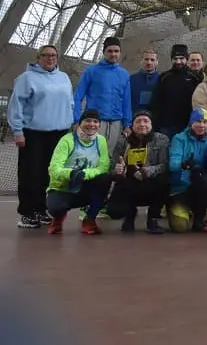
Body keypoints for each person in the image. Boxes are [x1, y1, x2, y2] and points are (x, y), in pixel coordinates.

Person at [9, 45, 74, 229]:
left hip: (59, 133)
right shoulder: (26, 78)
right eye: (46, 55)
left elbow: (70, 102)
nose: (50, 58)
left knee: (48, 174)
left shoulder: (64, 77)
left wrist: (70, 124)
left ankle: (40, 209)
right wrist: (18, 131)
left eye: (53, 55)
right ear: (38, 58)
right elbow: (16, 105)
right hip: (33, 132)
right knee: (30, 173)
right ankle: (27, 212)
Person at [44, 110, 112, 235]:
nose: (92, 124)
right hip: (64, 187)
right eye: (88, 121)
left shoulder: (101, 140)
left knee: (105, 179)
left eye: (95, 121)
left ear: (99, 125)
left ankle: (89, 220)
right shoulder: (67, 140)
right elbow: (54, 169)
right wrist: (71, 174)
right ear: (80, 123)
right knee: (56, 208)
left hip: (86, 185)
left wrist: (84, 174)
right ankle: (58, 218)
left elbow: (103, 166)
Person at [106, 111, 170, 234]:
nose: (142, 124)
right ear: (132, 125)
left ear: (151, 124)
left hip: (151, 181)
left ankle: (152, 218)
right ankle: (129, 215)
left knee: (165, 180)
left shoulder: (162, 139)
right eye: (138, 121)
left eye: (146, 121)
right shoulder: (123, 141)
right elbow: (111, 167)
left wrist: (148, 170)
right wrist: (118, 170)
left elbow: (165, 164)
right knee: (114, 211)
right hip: (130, 182)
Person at [73, 36, 131, 143]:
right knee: (90, 151)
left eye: (116, 51)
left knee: (110, 152)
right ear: (104, 52)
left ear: (120, 53)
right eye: (110, 51)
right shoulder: (91, 71)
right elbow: (77, 97)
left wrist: (127, 124)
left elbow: (126, 101)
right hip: (93, 121)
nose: (113, 54)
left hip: (116, 123)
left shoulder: (124, 74)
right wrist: (76, 120)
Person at [166, 109, 207, 233]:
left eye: (205, 122)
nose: (202, 125)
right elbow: (172, 165)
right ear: (191, 122)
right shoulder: (179, 139)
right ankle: (174, 208)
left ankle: (199, 219)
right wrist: (184, 164)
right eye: (198, 121)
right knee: (179, 227)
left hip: (199, 186)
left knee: (206, 180)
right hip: (180, 187)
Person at [149, 44, 201, 139]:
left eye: (181, 58)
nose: (178, 62)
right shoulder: (164, 77)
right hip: (167, 126)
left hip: (188, 125)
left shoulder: (195, 78)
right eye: (175, 58)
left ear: (186, 59)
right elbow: (156, 101)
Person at [129, 48, 159, 116]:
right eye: (146, 59)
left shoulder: (162, 80)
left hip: (155, 120)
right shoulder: (131, 79)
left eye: (152, 60)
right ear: (141, 60)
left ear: (157, 62)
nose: (149, 62)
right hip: (134, 119)